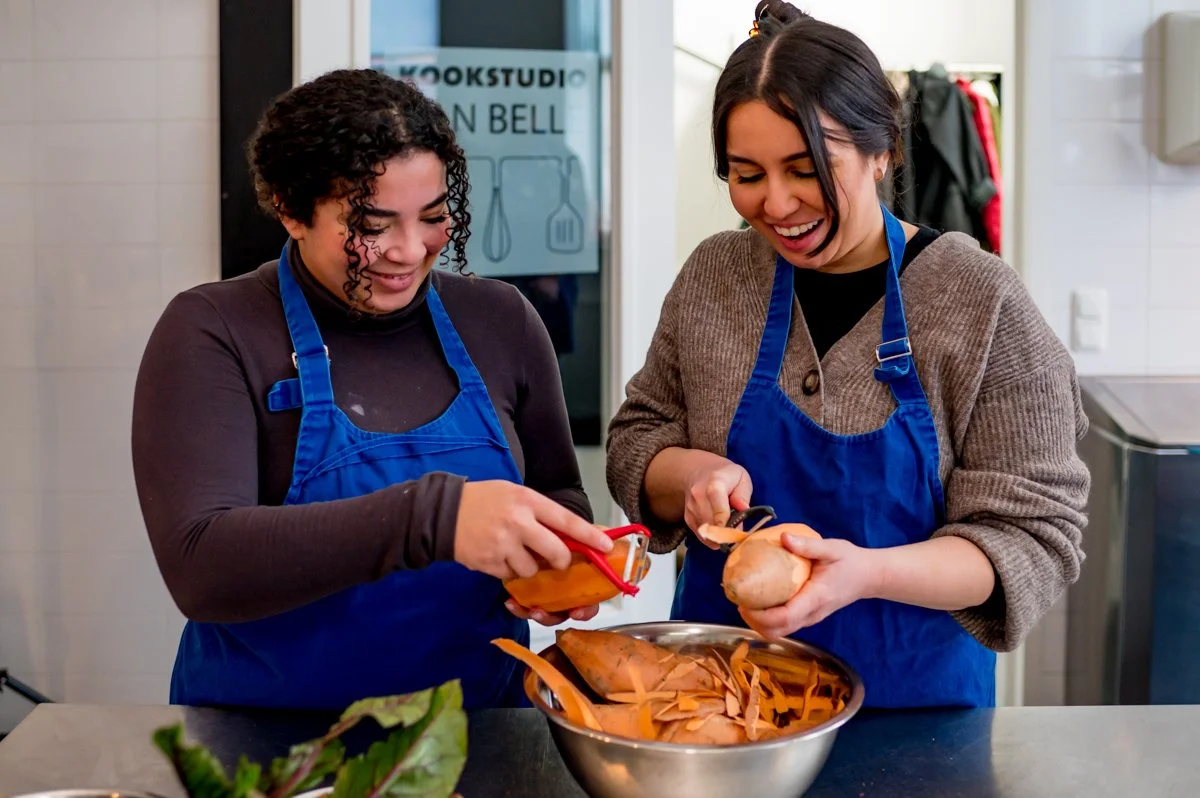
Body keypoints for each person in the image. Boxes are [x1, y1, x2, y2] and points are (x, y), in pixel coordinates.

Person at [605, 1, 1089, 709]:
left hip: (916, 723)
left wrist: (864, 574)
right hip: (719, 706)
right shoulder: (716, 277)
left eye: (806, 169)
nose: (776, 204)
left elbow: (1031, 535)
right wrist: (688, 475)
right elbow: (636, 437)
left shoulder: (980, 300)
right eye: (746, 174)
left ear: (881, 149)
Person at [132, 68, 612, 711]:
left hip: (479, 730)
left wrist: (559, 564)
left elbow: (558, 493)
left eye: (433, 217)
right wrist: (433, 518)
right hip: (266, 741)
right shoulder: (214, 330)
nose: (409, 251)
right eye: (372, 224)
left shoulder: (501, 321)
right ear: (291, 209)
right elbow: (201, 567)